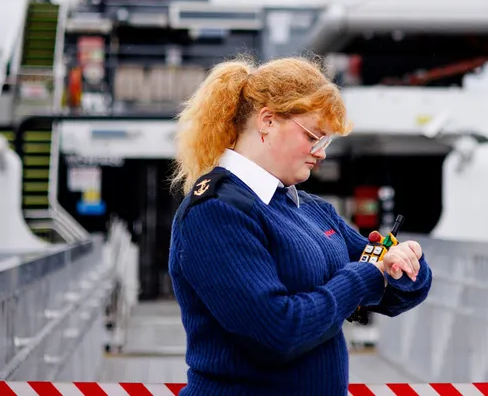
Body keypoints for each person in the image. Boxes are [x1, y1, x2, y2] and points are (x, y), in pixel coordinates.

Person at [168, 54, 432, 395]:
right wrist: (367, 276)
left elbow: (388, 290)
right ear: (267, 121)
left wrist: (407, 264)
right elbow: (278, 332)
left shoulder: (310, 209)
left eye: (326, 142)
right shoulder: (214, 211)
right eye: (313, 137)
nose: (321, 153)